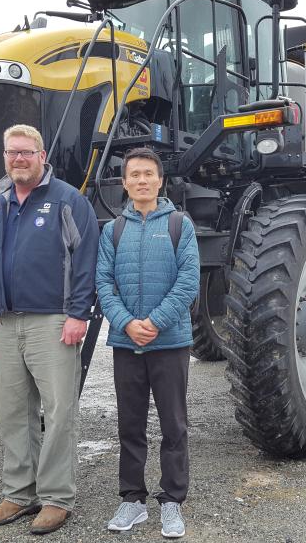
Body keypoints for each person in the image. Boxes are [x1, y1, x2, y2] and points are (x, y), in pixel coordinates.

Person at [0, 124, 98, 535]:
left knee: (59, 411)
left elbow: (85, 261)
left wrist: (79, 313)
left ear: (42, 155)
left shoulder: (66, 200)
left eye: (26, 152)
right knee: (12, 413)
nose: (18, 159)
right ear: (4, 157)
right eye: (12, 152)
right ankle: (19, 494)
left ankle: (57, 497)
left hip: (53, 322)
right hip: (5, 324)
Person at [95, 147, 199, 539]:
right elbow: (104, 283)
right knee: (130, 425)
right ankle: (132, 500)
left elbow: (188, 280)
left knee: (174, 425)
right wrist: (126, 323)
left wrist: (154, 322)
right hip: (127, 343)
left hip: (169, 342)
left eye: (148, 174)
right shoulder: (113, 230)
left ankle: (172, 501)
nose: (141, 180)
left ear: (160, 181)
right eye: (134, 175)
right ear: (124, 183)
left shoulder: (178, 224)